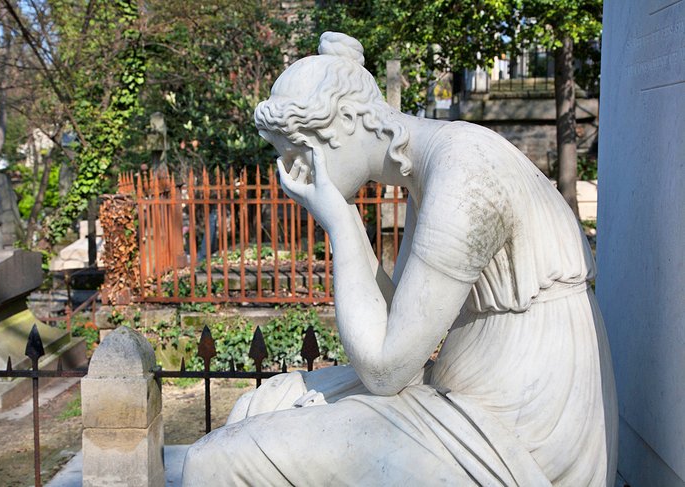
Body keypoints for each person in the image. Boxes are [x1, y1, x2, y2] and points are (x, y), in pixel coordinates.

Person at [182, 32, 617, 486]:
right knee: (256, 405)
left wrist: (339, 222)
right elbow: (395, 322)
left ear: (346, 120)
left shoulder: (465, 177)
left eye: (299, 153)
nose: (301, 175)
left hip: (521, 429)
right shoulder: (429, 172)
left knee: (211, 463)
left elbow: (385, 371)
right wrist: (345, 217)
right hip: (464, 395)